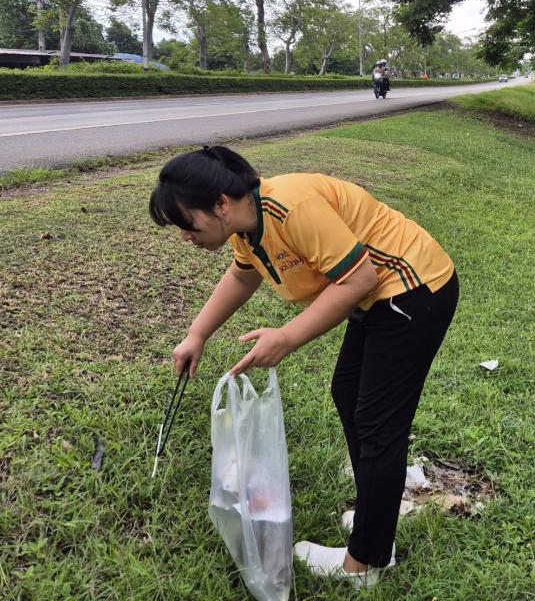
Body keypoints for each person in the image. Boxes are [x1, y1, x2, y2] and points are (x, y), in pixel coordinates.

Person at [149, 145, 458, 587]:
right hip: (381, 299)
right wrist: (197, 333)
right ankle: (377, 521)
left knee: (376, 423)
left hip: (413, 290)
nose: (186, 236)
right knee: (349, 396)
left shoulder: (289, 206)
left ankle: (367, 562)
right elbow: (243, 274)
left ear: (219, 204)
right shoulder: (246, 226)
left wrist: (287, 337)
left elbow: (359, 279)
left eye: (187, 224)